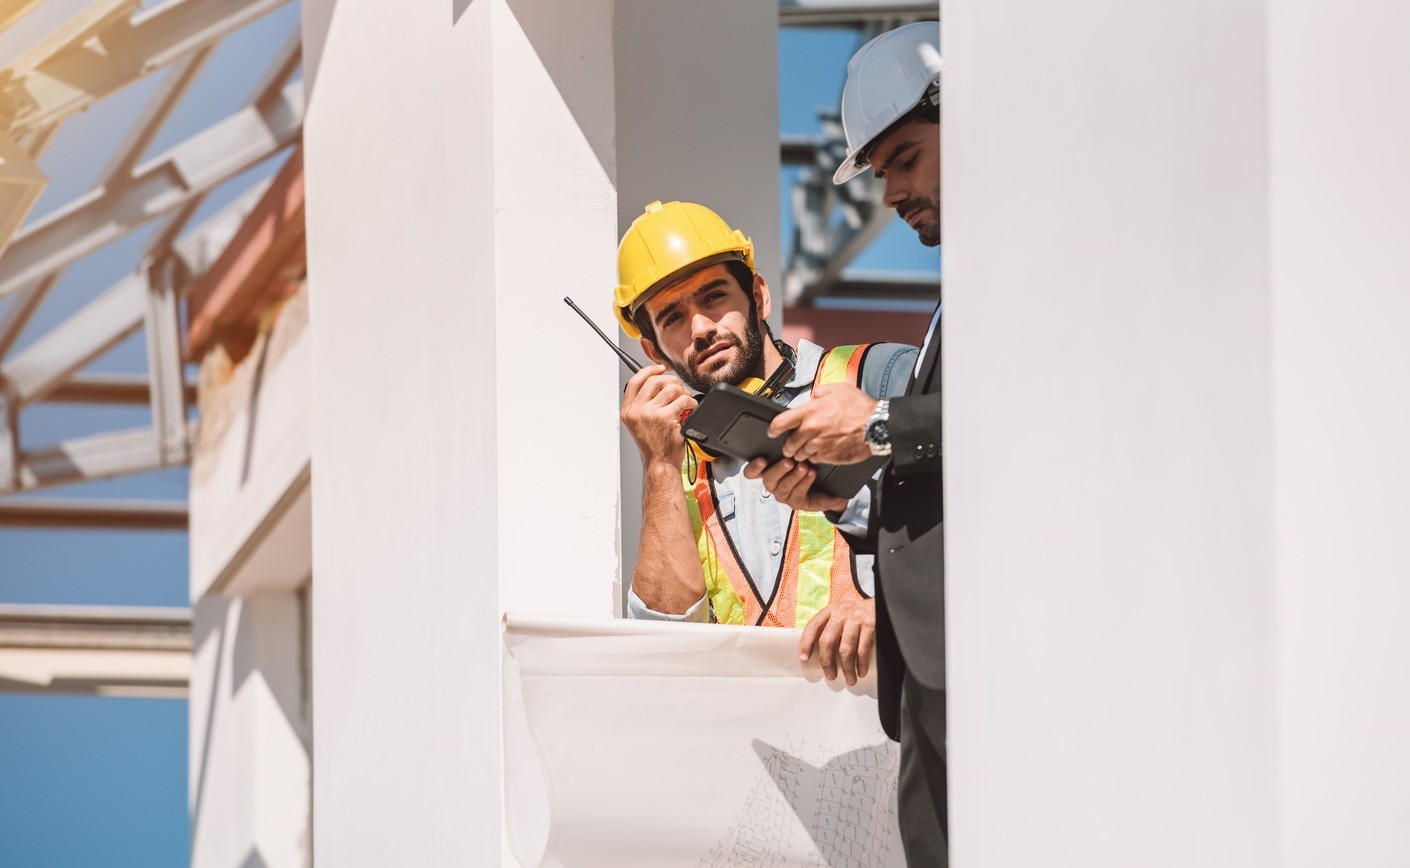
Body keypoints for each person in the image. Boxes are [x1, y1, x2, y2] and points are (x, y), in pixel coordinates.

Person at [743, 22, 947, 865]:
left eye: (905, 159)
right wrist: (845, 499)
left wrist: (873, 423)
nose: (891, 192)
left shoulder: (1034, 270)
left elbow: (1036, 422)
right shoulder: (960, 297)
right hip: (930, 691)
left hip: (979, 681)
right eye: (880, 172)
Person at [615, 199, 916, 686]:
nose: (701, 328)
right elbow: (661, 641)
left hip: (883, 722)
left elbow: (985, 524)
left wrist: (891, 607)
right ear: (652, 351)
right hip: (756, 729)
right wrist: (659, 464)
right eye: (673, 318)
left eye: (714, 297)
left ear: (758, 296)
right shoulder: (678, 463)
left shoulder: (881, 376)